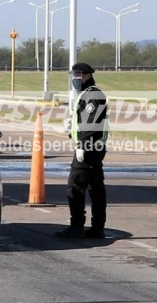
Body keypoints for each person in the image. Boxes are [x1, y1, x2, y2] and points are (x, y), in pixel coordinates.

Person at [56, 63, 110, 239]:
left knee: (76, 186)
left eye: (77, 75)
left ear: (86, 75)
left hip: (89, 148)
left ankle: (77, 226)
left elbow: (92, 123)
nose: (74, 79)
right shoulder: (86, 95)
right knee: (96, 188)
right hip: (92, 147)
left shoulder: (93, 95)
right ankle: (97, 227)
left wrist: (82, 145)